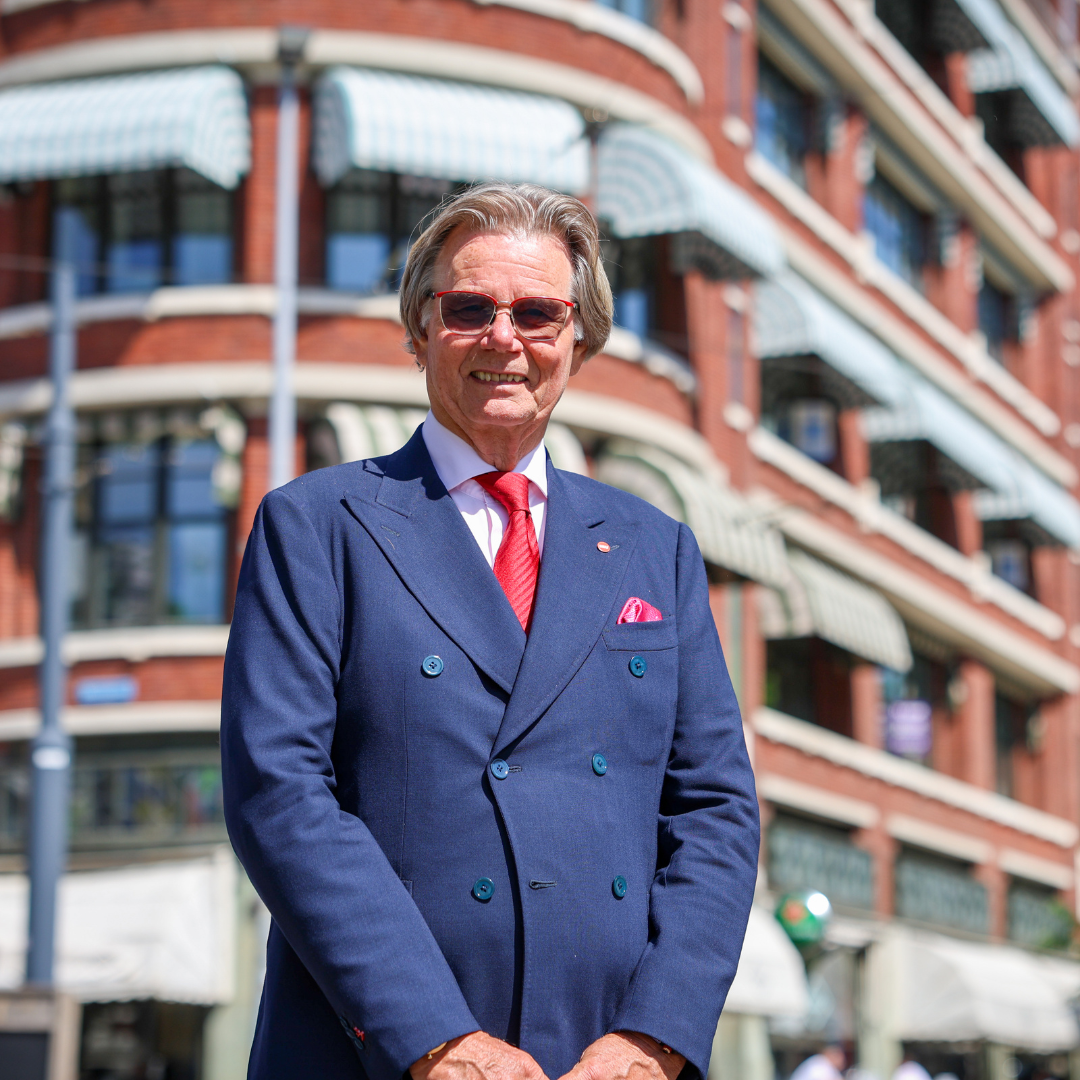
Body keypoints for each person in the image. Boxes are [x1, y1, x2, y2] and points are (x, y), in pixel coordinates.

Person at [221, 182, 759, 1080]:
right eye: (470, 308)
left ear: (579, 340)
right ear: (420, 330)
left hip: (603, 1055)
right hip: (381, 1052)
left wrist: (655, 1038)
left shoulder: (654, 547)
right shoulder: (317, 524)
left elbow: (715, 810)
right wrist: (434, 1038)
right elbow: (280, 793)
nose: (503, 338)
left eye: (538, 314)